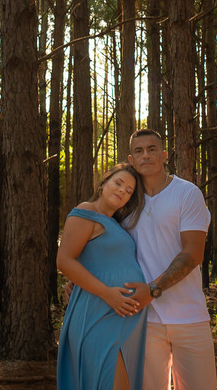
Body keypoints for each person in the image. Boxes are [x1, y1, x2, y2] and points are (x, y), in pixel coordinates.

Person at [122, 129, 217, 390]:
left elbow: (193, 253)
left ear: (164, 155)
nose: (146, 155)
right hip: (143, 319)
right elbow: (105, 246)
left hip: (189, 315)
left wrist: (152, 289)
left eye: (152, 149)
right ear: (131, 160)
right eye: (139, 151)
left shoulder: (187, 194)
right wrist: (80, 280)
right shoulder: (125, 201)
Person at [57, 164, 149, 390]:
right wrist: (107, 293)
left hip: (121, 316)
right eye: (118, 183)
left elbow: (93, 259)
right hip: (99, 312)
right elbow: (65, 260)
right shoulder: (86, 211)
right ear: (103, 182)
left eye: (129, 191)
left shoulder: (117, 224)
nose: (122, 191)